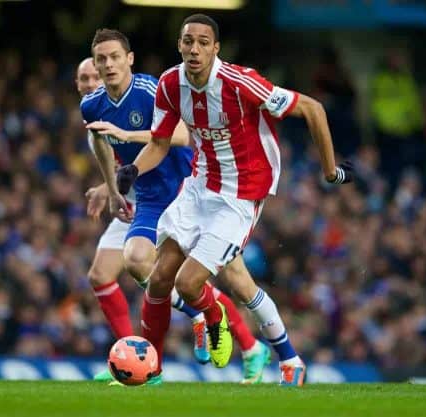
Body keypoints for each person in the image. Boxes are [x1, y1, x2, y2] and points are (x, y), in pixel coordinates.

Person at [115, 14, 355, 386]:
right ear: (179, 45)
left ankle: (222, 323)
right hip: (199, 186)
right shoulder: (169, 84)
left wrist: (329, 171)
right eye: (188, 41)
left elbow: (313, 108)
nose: (194, 49)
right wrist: (132, 169)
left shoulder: (240, 82)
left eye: (203, 42)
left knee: (191, 284)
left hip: (241, 196)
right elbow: (161, 142)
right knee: (160, 277)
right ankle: (153, 370)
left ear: (216, 48)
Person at [80, 31, 278, 385]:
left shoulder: (151, 90)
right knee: (136, 259)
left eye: (113, 57)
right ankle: (175, 333)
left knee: (236, 279)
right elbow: (100, 143)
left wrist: (127, 137)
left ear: (130, 59)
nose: (107, 66)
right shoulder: (92, 106)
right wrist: (110, 189)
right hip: (150, 198)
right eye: (100, 61)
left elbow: (183, 135)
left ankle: (252, 347)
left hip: (192, 189)